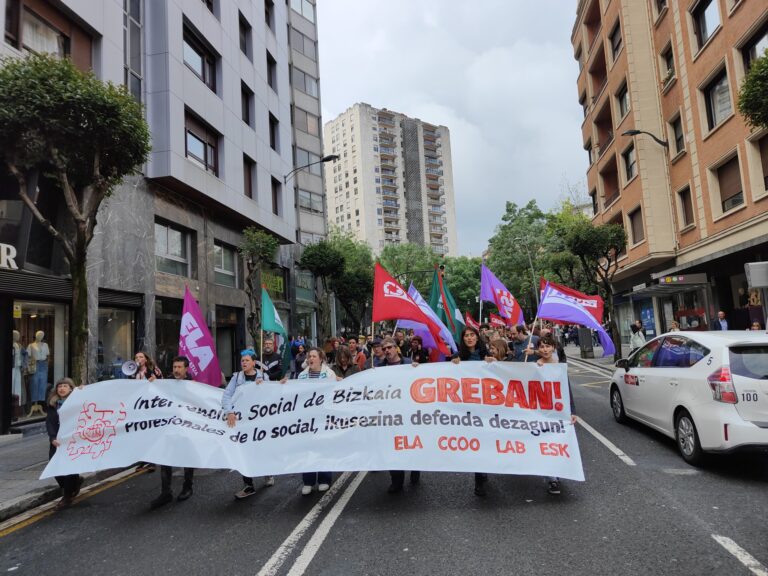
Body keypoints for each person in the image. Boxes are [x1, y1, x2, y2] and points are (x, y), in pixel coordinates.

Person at [282, 347, 340, 495]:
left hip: (322, 418)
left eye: (314, 356)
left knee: (322, 448)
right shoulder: (301, 376)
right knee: (307, 449)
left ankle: (324, 479)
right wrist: (285, 384)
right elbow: (295, 394)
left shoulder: (329, 374)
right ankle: (308, 481)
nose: (311, 359)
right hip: (306, 420)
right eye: (309, 357)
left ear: (321, 359)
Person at [223, 349, 272, 499]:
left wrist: (263, 386)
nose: (243, 363)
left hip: (259, 421)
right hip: (242, 422)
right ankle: (248, 485)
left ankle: (267, 472)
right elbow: (227, 395)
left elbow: (272, 396)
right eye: (242, 360)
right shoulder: (236, 377)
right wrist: (229, 411)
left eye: (247, 360)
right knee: (243, 451)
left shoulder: (263, 376)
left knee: (261, 449)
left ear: (254, 362)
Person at [451, 327, 492, 496]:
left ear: (477, 337)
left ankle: (482, 472)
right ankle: (479, 477)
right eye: (466, 336)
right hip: (467, 407)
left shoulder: (486, 355)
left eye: (472, 335)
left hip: (486, 406)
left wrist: (493, 362)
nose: (469, 338)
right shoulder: (457, 357)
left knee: (485, 440)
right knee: (475, 441)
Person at [150, 356, 196, 509]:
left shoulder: (193, 385)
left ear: (186, 369)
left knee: (187, 457)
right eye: (174, 367)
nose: (176, 370)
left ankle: (187, 487)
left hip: (187, 427)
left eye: (179, 367)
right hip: (168, 426)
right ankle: (166, 492)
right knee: (165, 458)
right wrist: (151, 383)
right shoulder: (166, 382)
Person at [536, 334, 577, 495]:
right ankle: (551, 478)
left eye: (547, 346)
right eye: (541, 346)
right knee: (544, 443)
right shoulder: (534, 366)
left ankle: (557, 473)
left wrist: (572, 411)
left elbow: (567, 389)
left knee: (556, 443)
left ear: (553, 347)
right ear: (538, 349)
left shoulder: (560, 366)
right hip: (541, 411)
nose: (545, 349)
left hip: (558, 411)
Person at [379, 337, 421, 493]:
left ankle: (415, 467)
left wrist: (417, 369)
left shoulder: (408, 364)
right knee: (392, 446)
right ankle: (396, 480)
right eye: (384, 349)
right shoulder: (378, 367)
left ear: (396, 348)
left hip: (408, 413)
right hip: (389, 414)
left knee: (410, 443)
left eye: (389, 347)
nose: (387, 351)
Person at [46, 377, 83, 510]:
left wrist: (83, 392)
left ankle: (67, 496)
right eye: (59, 386)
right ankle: (74, 483)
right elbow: (49, 422)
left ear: (71, 388)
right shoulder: (52, 404)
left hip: (73, 440)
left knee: (69, 467)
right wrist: (52, 438)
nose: (61, 388)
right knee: (54, 466)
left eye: (65, 386)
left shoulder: (77, 402)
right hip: (57, 441)